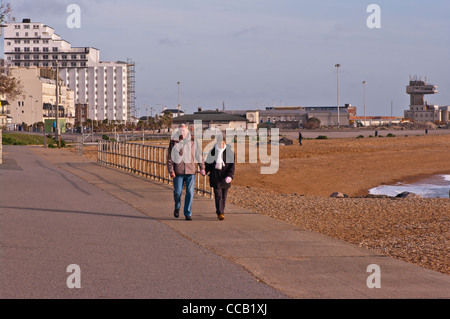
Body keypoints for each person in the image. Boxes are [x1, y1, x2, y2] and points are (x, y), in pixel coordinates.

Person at [167, 123, 205, 221]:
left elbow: (198, 155)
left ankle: (188, 213)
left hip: (190, 171)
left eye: (184, 130)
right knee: (177, 192)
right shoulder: (173, 141)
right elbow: (170, 158)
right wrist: (171, 170)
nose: (182, 132)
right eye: (180, 130)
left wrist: (202, 167)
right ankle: (177, 206)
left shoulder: (193, 140)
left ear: (187, 130)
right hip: (178, 172)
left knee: (190, 192)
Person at [205, 134, 235, 221]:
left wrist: (230, 176)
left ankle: (222, 211)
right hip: (215, 175)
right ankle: (220, 212)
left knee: (224, 196)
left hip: (225, 177)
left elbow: (232, 166)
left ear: (225, 142)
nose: (220, 145)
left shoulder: (230, 153)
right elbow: (208, 164)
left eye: (222, 143)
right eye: (219, 143)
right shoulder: (212, 152)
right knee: (218, 195)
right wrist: (205, 170)